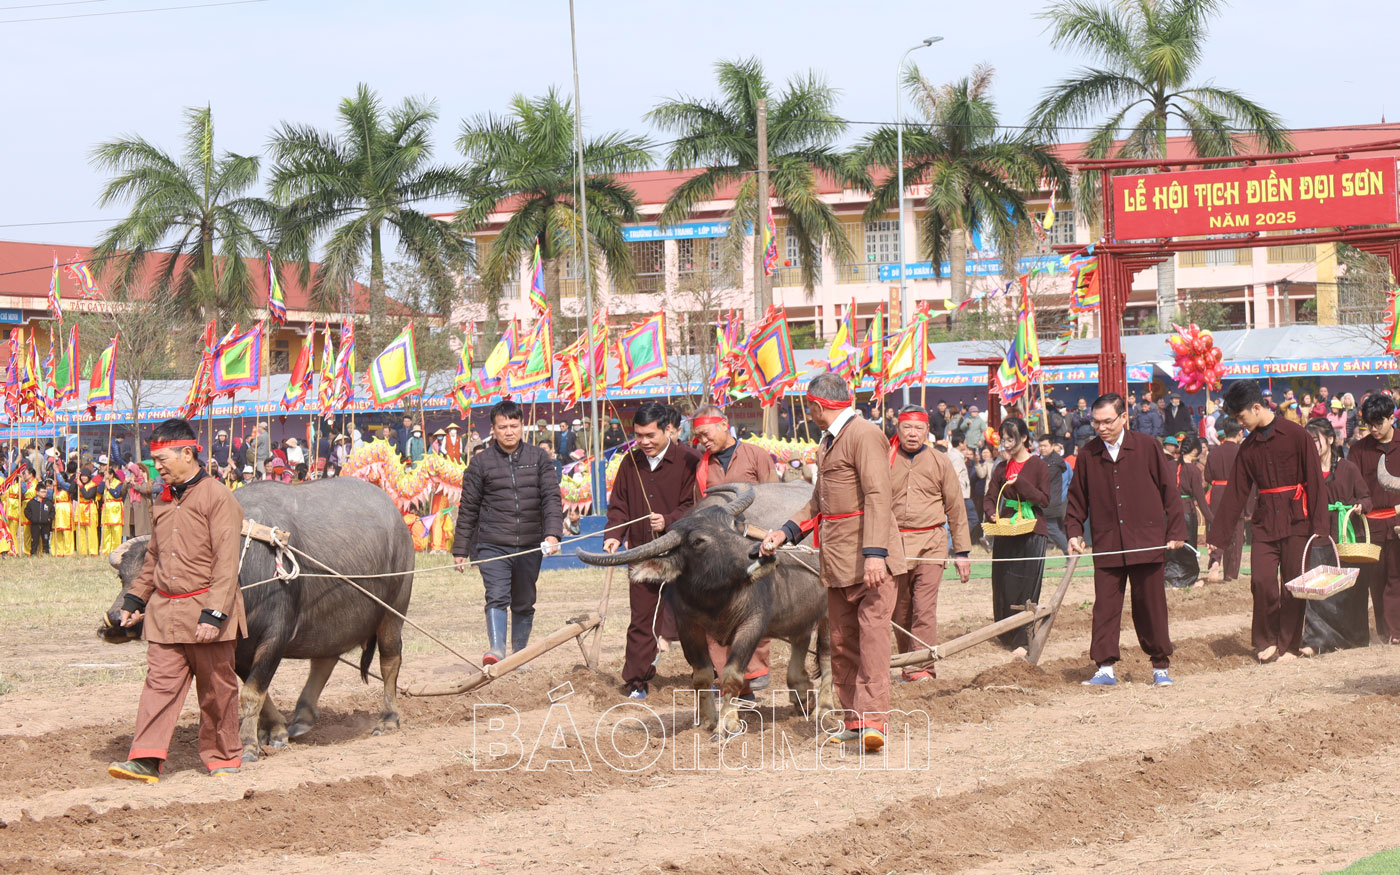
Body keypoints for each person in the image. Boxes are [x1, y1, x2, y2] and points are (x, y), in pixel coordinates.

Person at [759, 373, 906, 751]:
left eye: (810, 408)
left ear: (818, 406)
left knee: (872, 640)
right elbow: (817, 503)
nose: (810, 414)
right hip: (837, 561)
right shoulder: (828, 442)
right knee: (841, 642)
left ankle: (875, 723)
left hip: (870, 561)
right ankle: (854, 721)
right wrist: (785, 532)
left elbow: (877, 495)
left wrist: (876, 554)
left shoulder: (865, 434)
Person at [107, 418, 245, 783]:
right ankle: (145, 759)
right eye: (154, 462)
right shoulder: (163, 500)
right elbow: (154, 556)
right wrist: (135, 601)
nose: (158, 468)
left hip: (207, 613)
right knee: (160, 685)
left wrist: (214, 614)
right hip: (165, 613)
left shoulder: (218, 497)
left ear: (188, 452)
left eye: (163, 459)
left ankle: (224, 757)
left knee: (217, 689)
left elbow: (226, 562)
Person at [1066, 393, 1184, 687]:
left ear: (1123, 418)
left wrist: (1176, 532)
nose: (1101, 427)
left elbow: (1170, 491)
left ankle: (1160, 667)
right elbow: (1076, 500)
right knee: (1105, 608)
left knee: (1150, 606)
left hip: (1147, 540)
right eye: (1096, 422)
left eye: (1107, 421)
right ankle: (1104, 668)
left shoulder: (1147, 447)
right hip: (1107, 543)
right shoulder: (1088, 454)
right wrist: (1074, 532)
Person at [1208, 381, 1326, 663]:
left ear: (1256, 407)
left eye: (1241, 418)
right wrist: (1218, 540)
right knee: (1261, 581)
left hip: (1298, 520)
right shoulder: (1247, 448)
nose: (1241, 424)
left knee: (1294, 584)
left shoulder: (1298, 435)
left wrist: (1320, 530)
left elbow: (1316, 483)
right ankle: (1267, 640)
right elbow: (1236, 493)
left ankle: (1290, 644)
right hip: (1264, 523)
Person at [452, 399, 563, 664]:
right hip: (492, 543)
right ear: (493, 429)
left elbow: (551, 498)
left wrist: (553, 534)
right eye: (503, 427)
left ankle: (519, 654)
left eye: (514, 425)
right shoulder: (480, 464)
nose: (509, 431)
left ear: (522, 426)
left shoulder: (539, 458)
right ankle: (496, 651)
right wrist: (460, 549)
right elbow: (468, 508)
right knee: (497, 595)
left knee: (524, 601)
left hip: (529, 543)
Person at [603, 402, 699, 700]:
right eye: (638, 435)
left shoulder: (690, 460)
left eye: (650, 435)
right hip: (642, 554)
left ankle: (708, 674)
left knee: (693, 616)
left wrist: (669, 520)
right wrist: (614, 536)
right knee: (641, 617)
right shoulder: (630, 463)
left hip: (684, 555)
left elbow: (696, 505)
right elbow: (618, 506)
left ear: (667, 429)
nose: (644, 442)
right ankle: (637, 680)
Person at [691, 404, 779, 696]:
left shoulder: (756, 455)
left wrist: (773, 538)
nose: (703, 440)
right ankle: (729, 679)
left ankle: (754, 673)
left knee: (754, 609)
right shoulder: (703, 468)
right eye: (698, 436)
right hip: (719, 553)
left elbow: (775, 496)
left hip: (756, 546)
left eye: (705, 433)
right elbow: (701, 510)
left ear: (723, 424)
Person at [889, 406, 971, 682]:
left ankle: (922, 668)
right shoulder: (884, 460)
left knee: (924, 609)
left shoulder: (940, 461)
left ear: (927, 431)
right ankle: (907, 663)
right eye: (907, 428)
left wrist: (962, 552)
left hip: (931, 544)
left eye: (918, 428)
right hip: (894, 546)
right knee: (899, 612)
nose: (912, 434)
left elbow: (956, 508)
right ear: (898, 429)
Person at [1301, 417, 1371, 655]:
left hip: (1346, 537)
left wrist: (1360, 506)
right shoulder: (1306, 472)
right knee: (1317, 589)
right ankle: (1316, 641)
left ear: (1330, 439)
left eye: (1315, 440)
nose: (1312, 445)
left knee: (1350, 591)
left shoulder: (1348, 468)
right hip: (1318, 535)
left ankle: (1354, 638)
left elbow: (1366, 497)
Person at [983, 417, 1050, 653]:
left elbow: (1044, 500)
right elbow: (991, 496)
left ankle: (1022, 638)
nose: (1007, 444)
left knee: (1026, 584)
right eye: (1004, 439)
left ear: (1023, 438)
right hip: (1006, 529)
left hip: (1032, 531)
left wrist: (1021, 483)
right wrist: (992, 513)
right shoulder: (1001, 467)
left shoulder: (1039, 466)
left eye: (1011, 438)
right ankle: (1004, 632)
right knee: (1003, 582)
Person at [1343, 393, 1400, 643]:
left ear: (1391, 418)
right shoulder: (1358, 450)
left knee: (1397, 579)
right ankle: (1385, 633)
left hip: (1398, 523)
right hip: (1370, 526)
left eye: (1379, 422)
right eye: (1369, 424)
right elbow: (1350, 486)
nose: (1373, 429)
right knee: (1376, 582)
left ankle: (1395, 632)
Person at [1165, 435, 1212, 589]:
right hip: (1186, 512)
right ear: (1196, 450)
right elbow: (1201, 499)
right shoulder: (1193, 470)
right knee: (1188, 547)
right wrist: (1212, 520)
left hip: (1169, 513)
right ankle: (1186, 580)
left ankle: (1169, 579)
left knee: (1171, 547)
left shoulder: (1170, 465)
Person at [1205, 419, 1247, 584]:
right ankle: (1230, 575)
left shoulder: (1213, 452)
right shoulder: (1242, 451)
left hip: (1217, 493)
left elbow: (1207, 477)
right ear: (1239, 433)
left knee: (1217, 531)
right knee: (1235, 536)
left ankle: (1215, 561)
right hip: (1235, 493)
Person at [1036, 434, 1070, 554]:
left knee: (1052, 528)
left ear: (1052, 446)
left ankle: (1068, 552)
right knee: (1047, 528)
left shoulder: (1055, 461)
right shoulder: (1043, 459)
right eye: (1040, 446)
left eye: (1045, 446)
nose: (1042, 448)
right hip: (1044, 500)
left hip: (1050, 501)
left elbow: (1042, 479)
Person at [100, 468, 128, 555]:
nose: (105, 476)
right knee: (106, 531)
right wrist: (103, 481)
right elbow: (99, 491)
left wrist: (109, 487)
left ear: (111, 475)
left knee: (116, 531)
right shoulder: (105, 482)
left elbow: (117, 494)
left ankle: (116, 550)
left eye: (106, 474)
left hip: (115, 508)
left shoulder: (118, 483)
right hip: (107, 509)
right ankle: (105, 550)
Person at [24, 478, 54, 555]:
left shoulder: (48, 502)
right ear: (37, 492)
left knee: (45, 539)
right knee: (35, 540)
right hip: (35, 524)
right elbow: (26, 511)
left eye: (45, 492)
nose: (44, 493)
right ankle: (33, 553)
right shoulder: (32, 502)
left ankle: (46, 553)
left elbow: (52, 511)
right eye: (42, 492)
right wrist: (32, 518)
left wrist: (49, 518)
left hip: (45, 524)